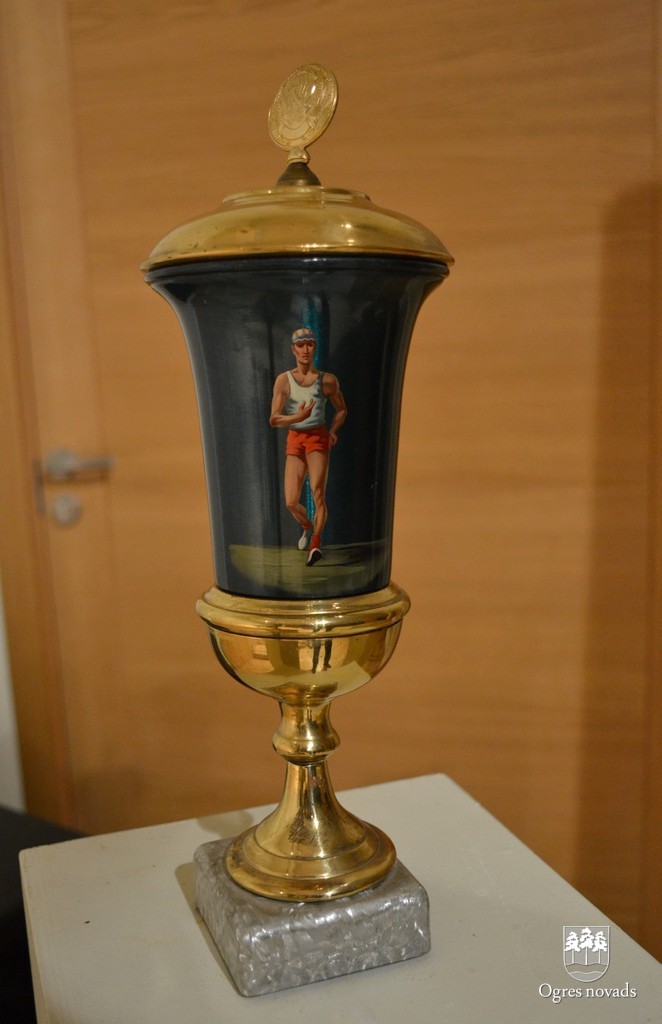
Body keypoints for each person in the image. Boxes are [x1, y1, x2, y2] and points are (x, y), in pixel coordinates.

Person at [270, 328, 347, 565]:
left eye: (310, 344)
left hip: (317, 437)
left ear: (315, 348)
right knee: (291, 501)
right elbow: (274, 419)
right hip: (295, 438)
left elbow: (341, 409)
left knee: (318, 492)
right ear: (293, 349)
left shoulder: (327, 380)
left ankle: (315, 543)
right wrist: (298, 417)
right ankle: (306, 525)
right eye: (300, 345)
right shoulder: (284, 380)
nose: (305, 350)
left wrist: (333, 431)